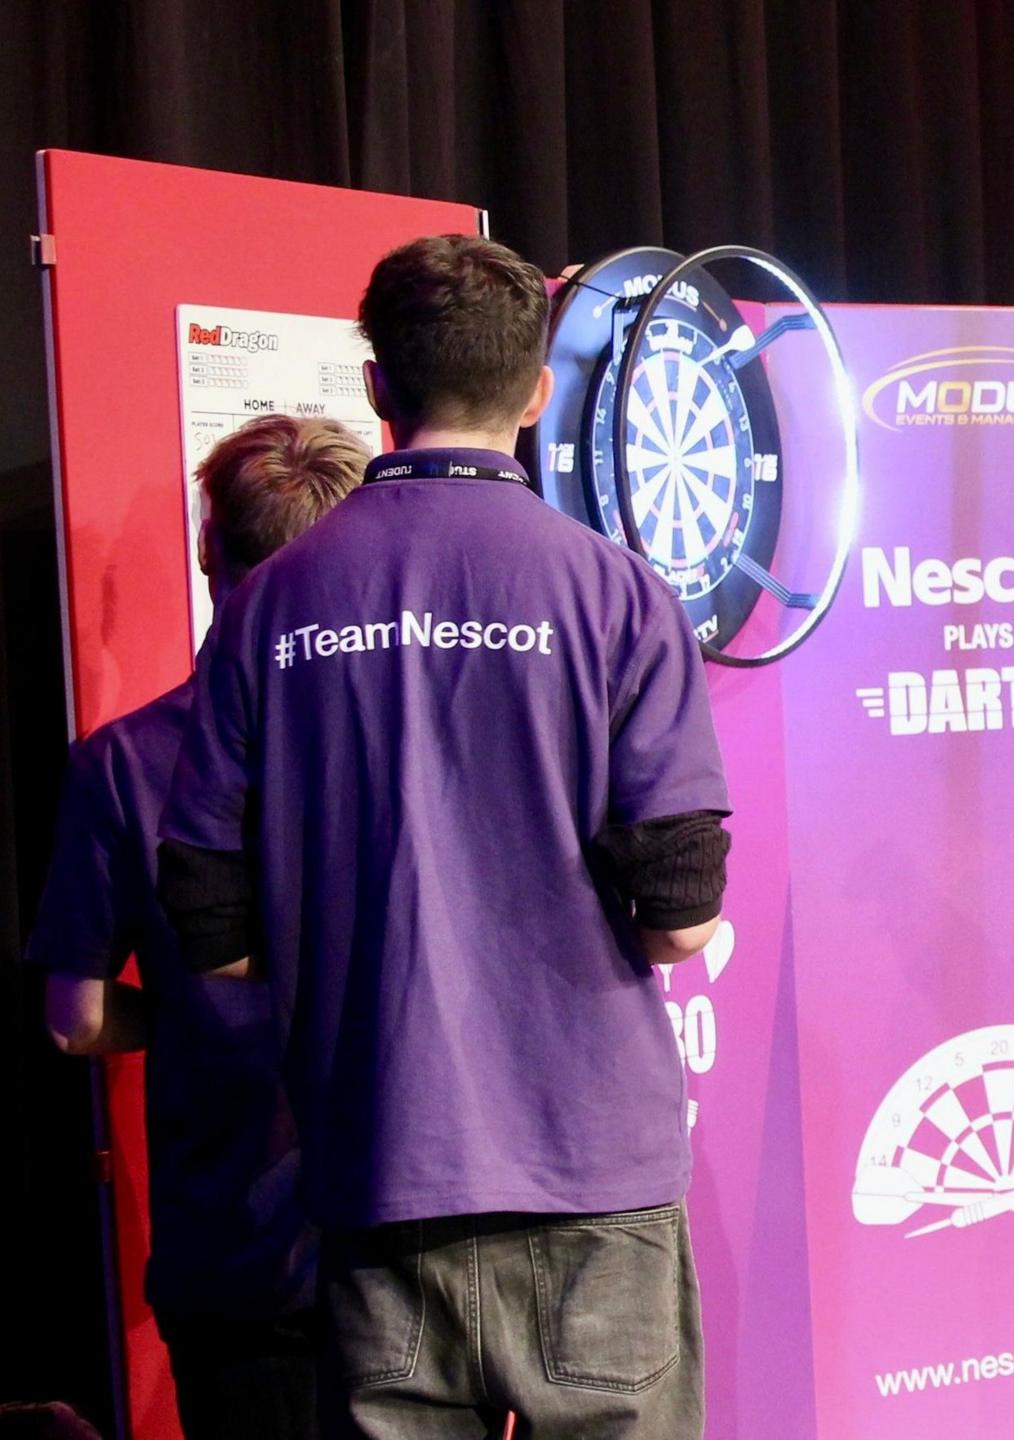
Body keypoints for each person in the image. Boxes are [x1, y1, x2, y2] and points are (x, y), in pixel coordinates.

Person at [158, 235, 732, 1439]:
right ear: (537, 390)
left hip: (375, 1173)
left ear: (375, 386)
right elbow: (677, 914)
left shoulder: (266, 607)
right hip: (592, 1182)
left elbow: (206, 927)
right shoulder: (621, 595)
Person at [27, 414, 366, 1440]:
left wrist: (185, 1010)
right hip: (415, 1233)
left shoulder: (124, 764)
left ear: (208, 549)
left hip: (236, 1254)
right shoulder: (406, 737)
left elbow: (71, 1018)